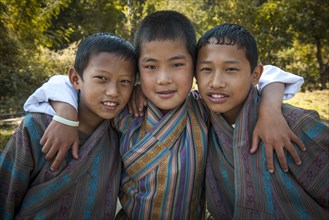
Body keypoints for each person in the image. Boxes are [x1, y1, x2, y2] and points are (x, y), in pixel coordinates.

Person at [24, 11, 305, 219]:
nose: (163, 79)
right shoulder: (123, 111)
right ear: (137, 71)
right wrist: (64, 114)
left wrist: (269, 108)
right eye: (150, 67)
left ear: (195, 67)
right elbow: (63, 83)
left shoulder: (203, 108)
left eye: (177, 65)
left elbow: (266, 75)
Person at [196, 23, 329, 219]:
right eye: (206, 69)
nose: (216, 82)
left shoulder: (291, 124)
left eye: (231, 69)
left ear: (255, 74)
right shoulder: (199, 117)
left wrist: (270, 108)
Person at [0, 33, 137, 219]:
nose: (113, 92)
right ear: (75, 79)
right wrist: (66, 117)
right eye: (101, 78)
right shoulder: (37, 127)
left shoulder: (122, 131)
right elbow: (6, 192)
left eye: (125, 82)